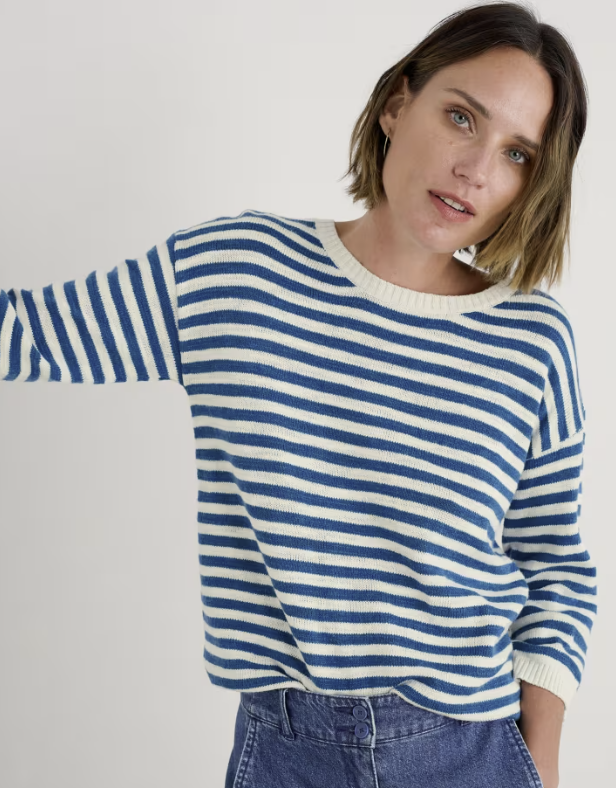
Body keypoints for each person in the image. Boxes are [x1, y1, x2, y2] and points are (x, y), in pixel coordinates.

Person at [0, 2, 597, 787]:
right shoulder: (238, 273)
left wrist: (539, 765)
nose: (476, 169)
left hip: (470, 753)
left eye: (518, 154)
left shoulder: (531, 341)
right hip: (286, 752)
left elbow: (556, 567)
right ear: (397, 105)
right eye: (461, 117)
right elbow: (23, 335)